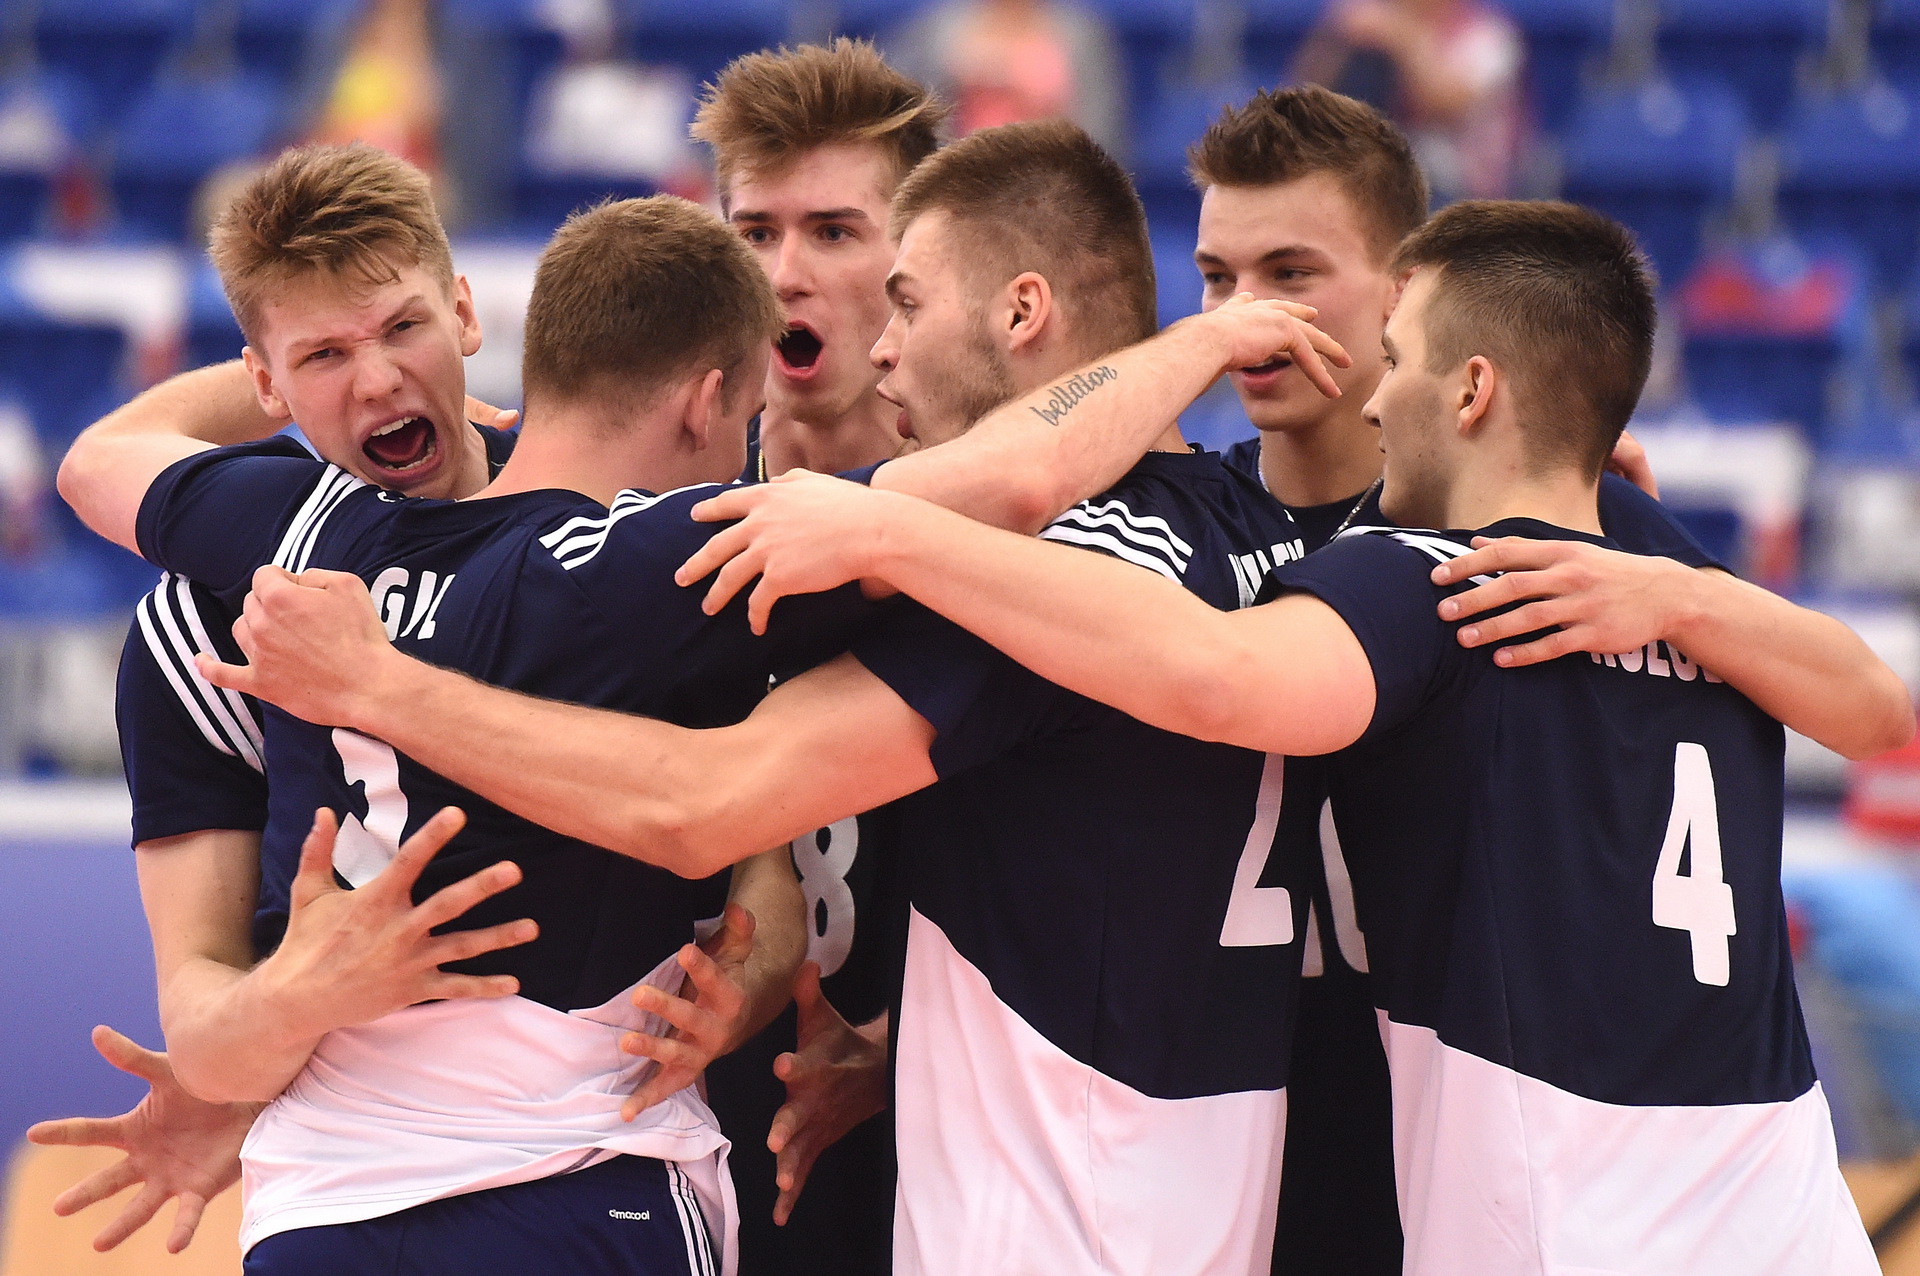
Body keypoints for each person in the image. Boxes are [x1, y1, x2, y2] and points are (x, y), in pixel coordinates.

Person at [630, 200, 1908, 1273]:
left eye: (1397, 357)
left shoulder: (1428, 578)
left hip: (1575, 1225)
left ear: (1473, 390)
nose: (1377, 397)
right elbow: (1877, 709)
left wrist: (892, 530)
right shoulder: (1657, 559)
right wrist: (1692, 596)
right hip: (1786, 1216)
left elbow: (1214, 673)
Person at [203, 119, 1352, 1276]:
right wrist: (903, 1039)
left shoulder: (1030, 572)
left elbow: (702, 800)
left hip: (1049, 1219)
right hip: (1153, 1177)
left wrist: (379, 685)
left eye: (898, 292)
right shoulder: (1254, 526)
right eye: (752, 231)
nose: (883, 346)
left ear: (1020, 312)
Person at [686, 42, 943, 1269]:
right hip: (691, 1136)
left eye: (836, 231)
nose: (785, 273)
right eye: (753, 231)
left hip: (949, 1144)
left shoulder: (1008, 536)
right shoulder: (647, 509)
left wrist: (899, 1049)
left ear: (919, 259)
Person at [1293, 0, 1525, 199]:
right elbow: (1310, 93)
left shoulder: (1489, 35)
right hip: (1389, 170)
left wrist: (1401, 35)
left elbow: (1444, 103)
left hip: (1462, 185)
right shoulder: (1377, 32)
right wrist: (1337, 36)